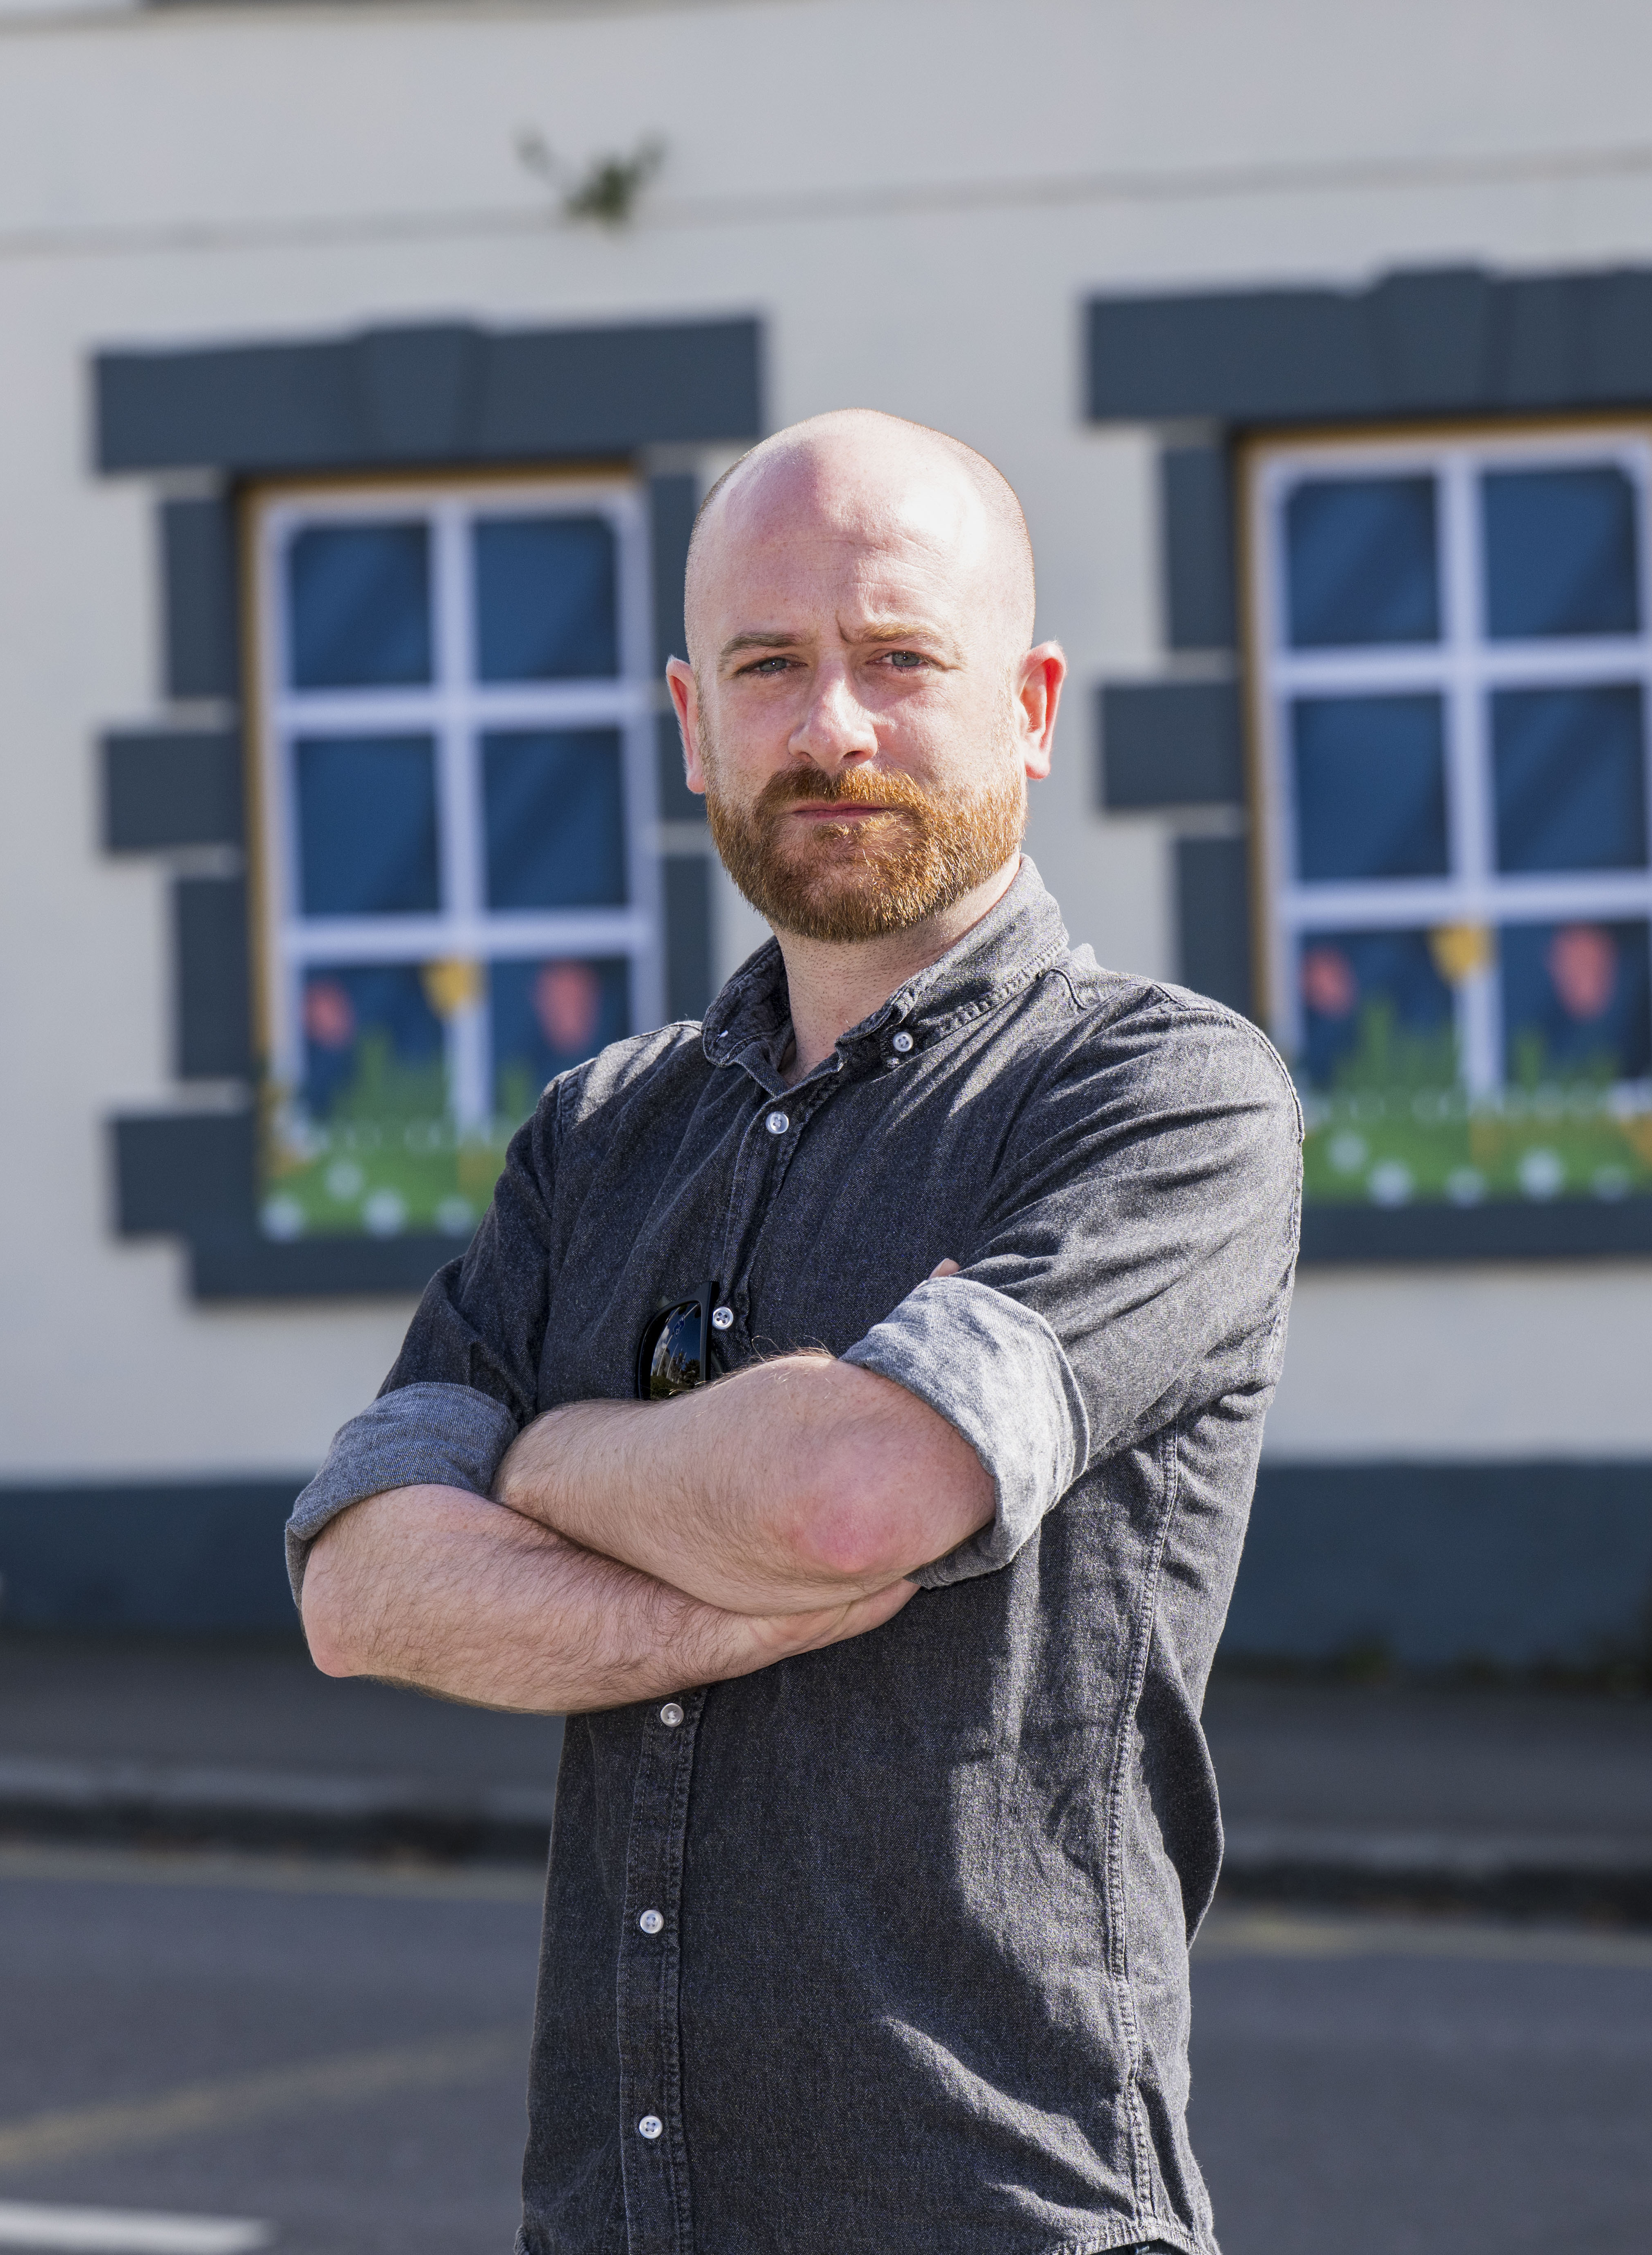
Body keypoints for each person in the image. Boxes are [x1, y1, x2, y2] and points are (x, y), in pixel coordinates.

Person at [290, 411, 1302, 2253]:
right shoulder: (605, 1134)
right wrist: (713, 1559)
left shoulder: (1160, 1095)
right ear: (693, 718)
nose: (831, 726)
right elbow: (360, 1587)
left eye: (901, 657)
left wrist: (540, 1454)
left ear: (1033, 704)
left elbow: (852, 1499)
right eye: (771, 666)